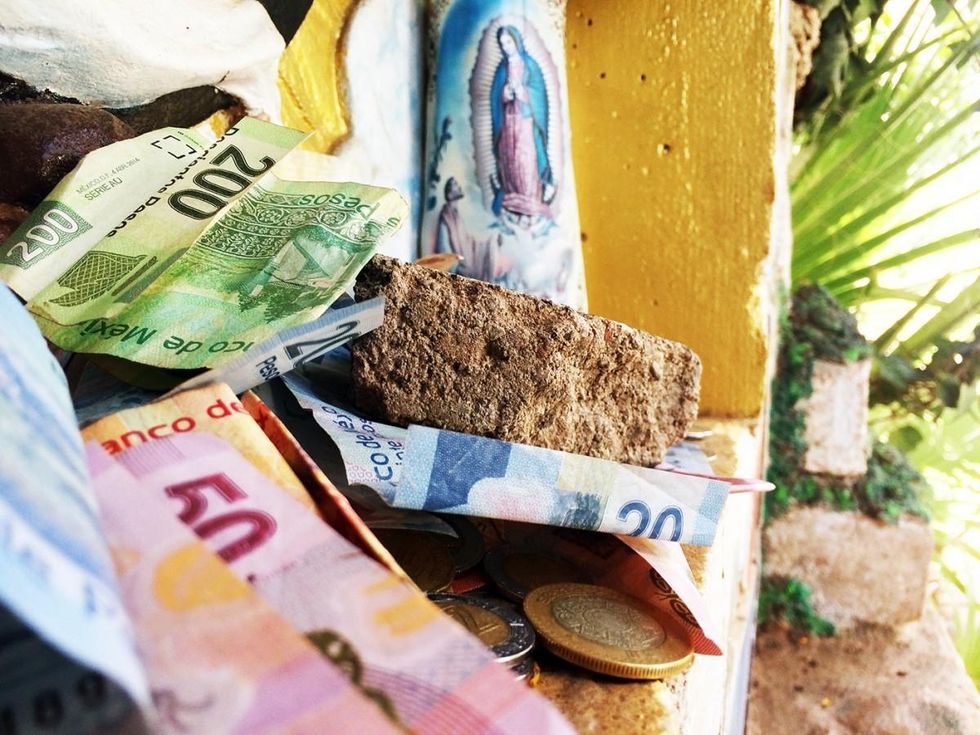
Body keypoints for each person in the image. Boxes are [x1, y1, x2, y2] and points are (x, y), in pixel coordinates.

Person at [489, 25, 554, 228]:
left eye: (509, 42)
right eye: (502, 44)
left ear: (516, 41)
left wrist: (524, 93)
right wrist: (505, 94)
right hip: (508, 122)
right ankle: (515, 207)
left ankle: (530, 206)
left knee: (526, 161)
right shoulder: (502, 69)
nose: (506, 47)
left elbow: (539, 94)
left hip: (526, 122)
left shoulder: (530, 65)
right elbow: (494, 97)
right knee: (510, 160)